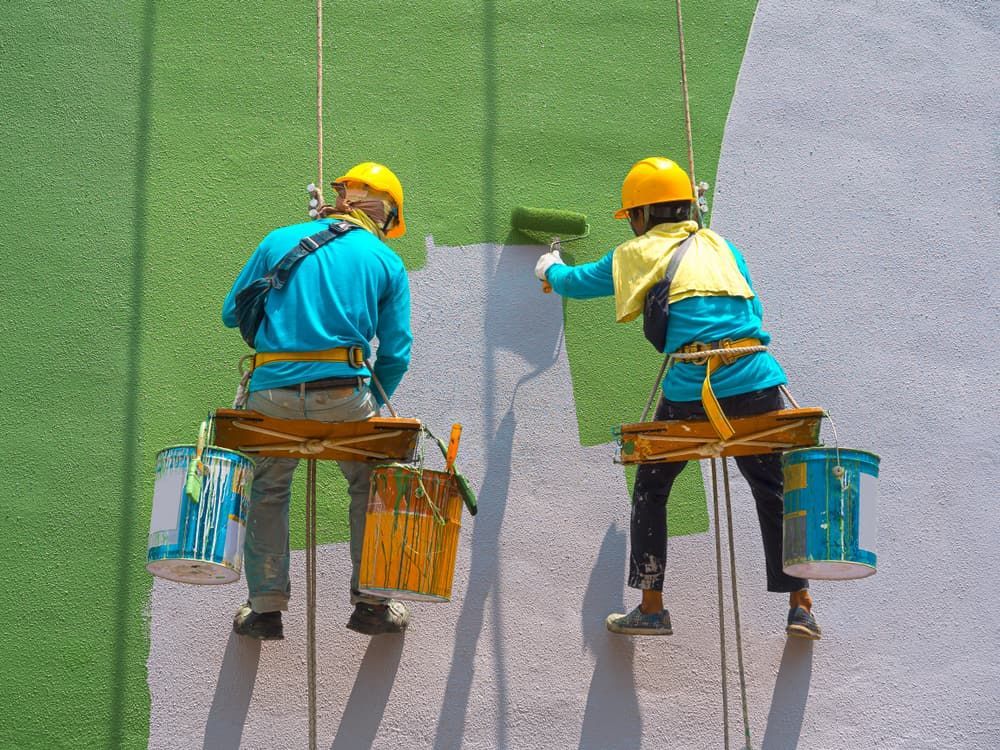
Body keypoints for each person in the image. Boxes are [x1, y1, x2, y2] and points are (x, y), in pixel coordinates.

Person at [534, 157, 820, 640]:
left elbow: (578, 283)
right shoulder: (724, 248)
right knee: (772, 490)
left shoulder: (638, 252)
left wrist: (550, 267)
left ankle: (651, 605)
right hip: (756, 382)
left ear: (641, 215)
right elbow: (751, 307)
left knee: (652, 486)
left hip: (692, 388)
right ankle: (801, 605)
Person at [222, 161, 413, 639]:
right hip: (345, 395)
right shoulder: (385, 261)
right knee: (371, 485)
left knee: (268, 487)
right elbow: (396, 351)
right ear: (383, 212)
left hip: (271, 396)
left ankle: (265, 608)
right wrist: (370, 395)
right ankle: (371, 604)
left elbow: (231, 314)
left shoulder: (279, 240)